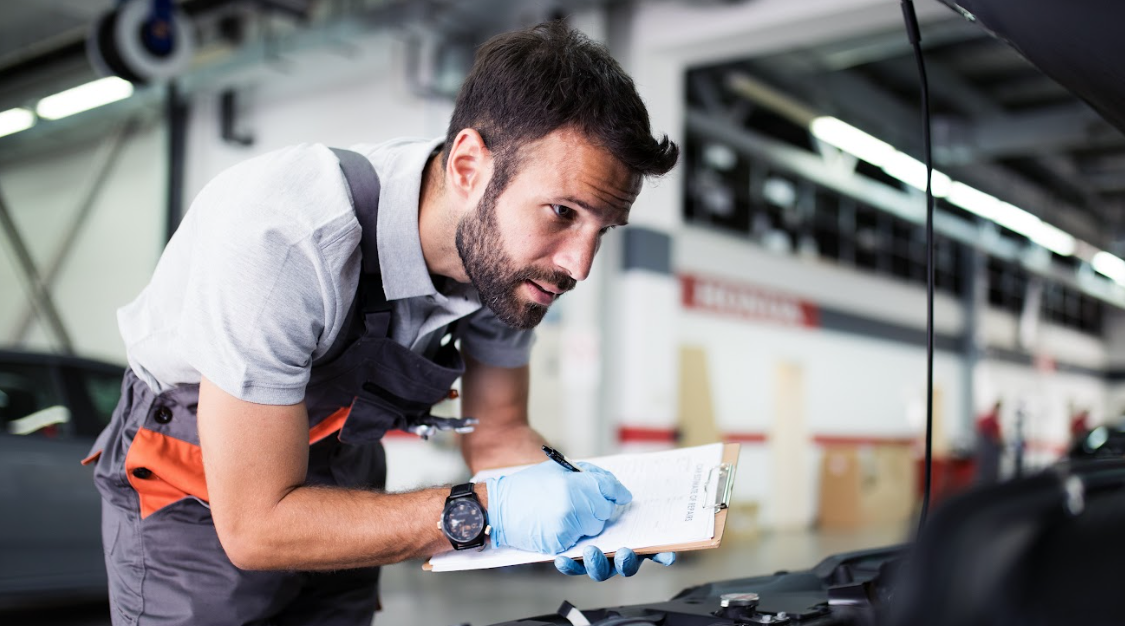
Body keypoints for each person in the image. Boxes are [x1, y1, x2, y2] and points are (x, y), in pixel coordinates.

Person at [84, 20, 679, 626]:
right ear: (469, 166)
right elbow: (256, 526)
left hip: (345, 462)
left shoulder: (511, 269)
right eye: (562, 212)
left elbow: (499, 436)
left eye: (601, 230)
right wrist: (485, 511)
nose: (578, 264)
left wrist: (584, 511)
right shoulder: (285, 238)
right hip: (199, 478)